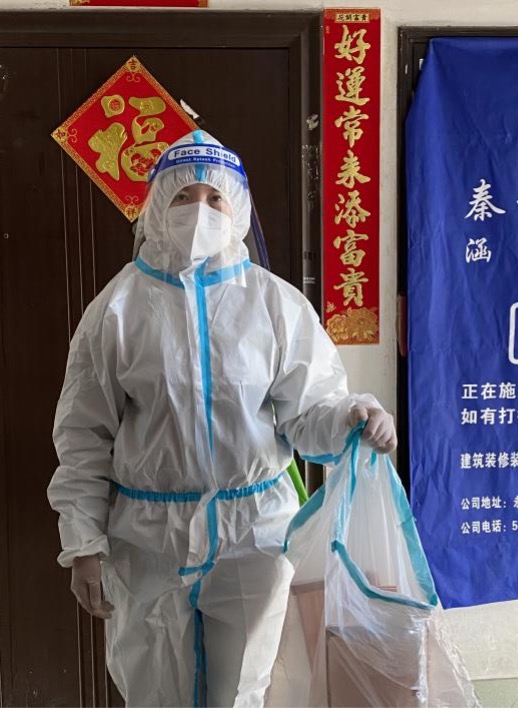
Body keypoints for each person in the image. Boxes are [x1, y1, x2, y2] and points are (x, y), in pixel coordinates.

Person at [48, 130, 397, 708]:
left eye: (216, 198)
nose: (200, 211)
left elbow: (309, 410)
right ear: (156, 207)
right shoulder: (116, 310)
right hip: (149, 540)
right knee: (155, 690)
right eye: (183, 196)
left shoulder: (274, 304)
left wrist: (351, 417)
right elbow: (83, 436)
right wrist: (83, 542)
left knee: (244, 691)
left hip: (253, 536)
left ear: (238, 208)